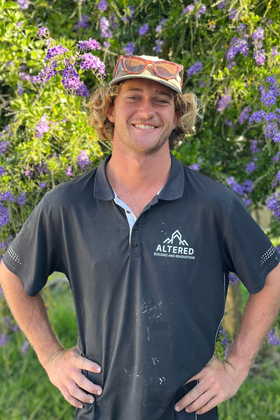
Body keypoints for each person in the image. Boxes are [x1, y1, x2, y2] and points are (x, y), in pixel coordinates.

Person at [1, 54, 280, 420]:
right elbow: (13, 274)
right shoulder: (66, 205)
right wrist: (51, 357)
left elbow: (271, 276)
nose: (147, 110)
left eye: (161, 100)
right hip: (99, 412)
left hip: (188, 415)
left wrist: (237, 365)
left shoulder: (214, 206)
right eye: (133, 96)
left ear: (177, 116)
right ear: (111, 109)